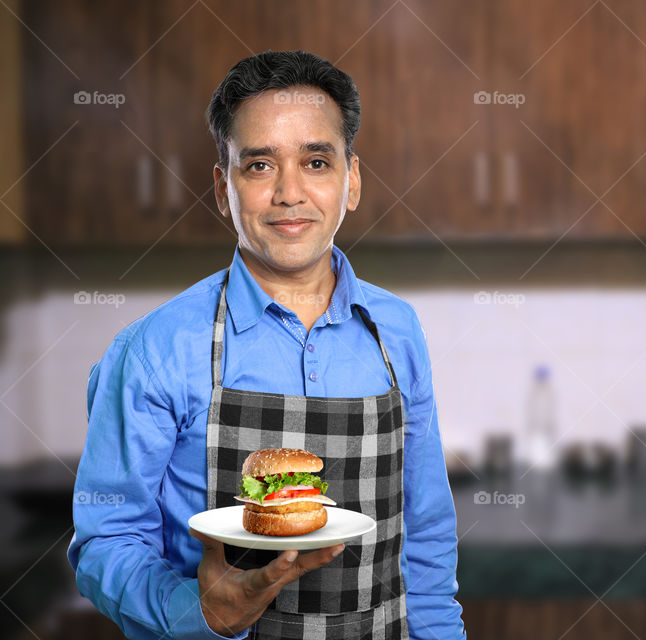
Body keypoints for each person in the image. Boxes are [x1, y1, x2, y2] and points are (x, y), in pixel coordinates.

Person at [67, 50, 466, 640]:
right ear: (222, 188)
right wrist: (200, 612)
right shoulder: (155, 350)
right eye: (258, 165)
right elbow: (106, 539)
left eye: (315, 161)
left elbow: (425, 536)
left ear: (351, 181)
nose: (289, 193)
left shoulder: (397, 332)